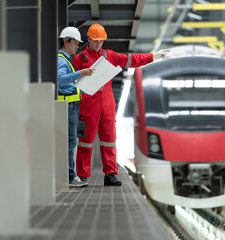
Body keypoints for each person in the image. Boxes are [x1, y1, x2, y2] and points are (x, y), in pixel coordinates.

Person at [72, 23, 169, 186]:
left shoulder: (109, 55)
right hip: (88, 104)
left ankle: (110, 174)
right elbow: (72, 81)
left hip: (107, 105)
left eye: (101, 41)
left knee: (109, 140)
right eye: (95, 41)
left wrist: (153, 56)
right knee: (86, 141)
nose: (98, 44)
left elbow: (131, 60)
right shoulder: (79, 58)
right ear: (88, 39)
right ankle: (82, 175)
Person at [58, 26, 95, 187]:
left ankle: (70, 176)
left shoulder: (66, 60)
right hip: (67, 106)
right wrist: (81, 73)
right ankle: (70, 177)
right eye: (74, 43)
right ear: (66, 41)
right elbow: (60, 79)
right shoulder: (61, 60)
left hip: (71, 106)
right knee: (70, 141)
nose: (76, 47)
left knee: (70, 141)